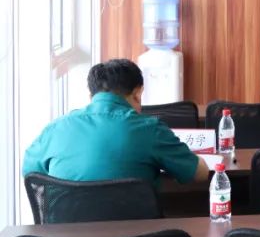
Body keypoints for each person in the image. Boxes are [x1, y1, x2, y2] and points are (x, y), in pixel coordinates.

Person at [23, 59, 210, 185]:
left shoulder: (56, 128)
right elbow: (198, 174)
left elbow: (30, 173)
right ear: (138, 93)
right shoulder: (150, 129)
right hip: (136, 233)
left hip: (64, 232)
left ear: (91, 95)